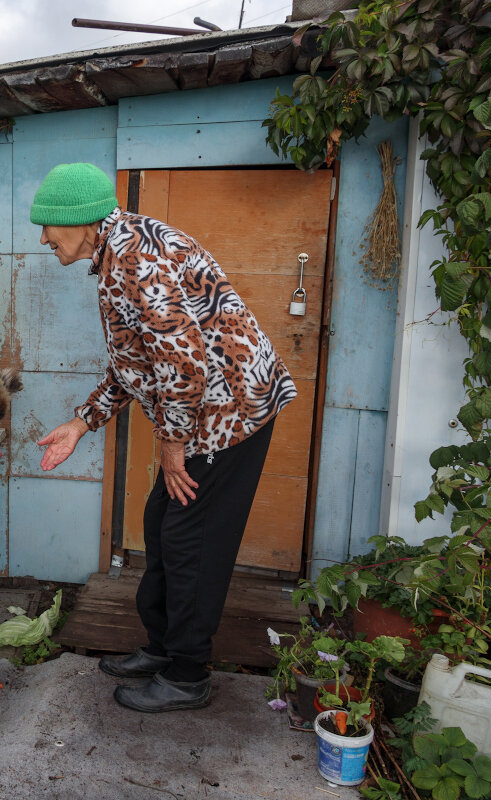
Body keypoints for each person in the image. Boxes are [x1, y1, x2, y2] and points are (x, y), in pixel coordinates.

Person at [31, 163, 297, 713]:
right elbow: (140, 361)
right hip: (202, 413)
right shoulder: (116, 252)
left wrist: (174, 447)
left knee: (189, 543)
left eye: (48, 226)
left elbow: (181, 363)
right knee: (161, 525)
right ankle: (162, 648)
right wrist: (82, 422)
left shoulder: (136, 258)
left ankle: (187, 674)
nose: (43, 239)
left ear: (81, 221)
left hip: (228, 417)